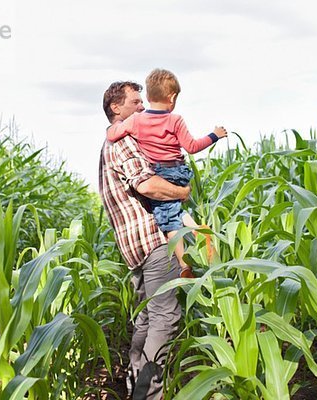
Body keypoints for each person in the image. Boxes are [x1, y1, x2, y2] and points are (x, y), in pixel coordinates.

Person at [99, 81, 188, 400]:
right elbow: (147, 185)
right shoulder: (122, 140)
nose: (142, 107)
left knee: (147, 318)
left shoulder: (111, 145)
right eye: (136, 102)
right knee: (166, 318)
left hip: (135, 249)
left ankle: (134, 385)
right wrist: (182, 192)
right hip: (152, 241)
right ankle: (147, 395)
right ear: (116, 108)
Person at [106, 69, 227, 278]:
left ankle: (184, 266)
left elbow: (113, 133)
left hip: (160, 172)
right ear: (171, 97)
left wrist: (113, 129)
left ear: (149, 97)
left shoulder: (136, 121)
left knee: (169, 222)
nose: (139, 107)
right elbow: (192, 146)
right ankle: (198, 229)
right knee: (175, 211)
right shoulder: (175, 119)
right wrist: (214, 135)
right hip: (179, 169)